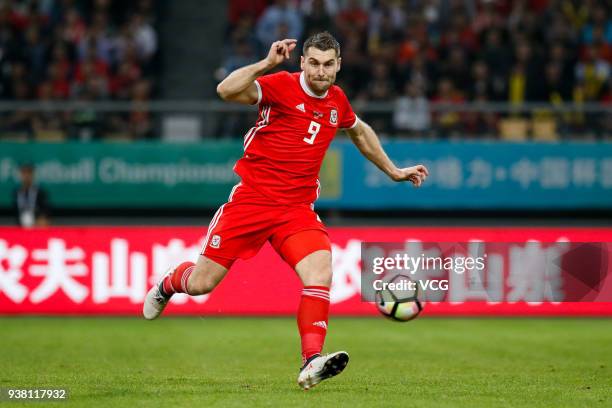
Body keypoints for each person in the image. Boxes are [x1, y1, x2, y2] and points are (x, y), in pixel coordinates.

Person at [143, 32, 428, 390]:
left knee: (320, 273)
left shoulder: (337, 100)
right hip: (251, 201)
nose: (320, 71)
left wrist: (393, 170)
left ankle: (311, 362)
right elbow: (226, 91)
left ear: (338, 65)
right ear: (302, 62)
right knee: (201, 284)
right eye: (313, 63)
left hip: (296, 209)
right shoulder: (280, 86)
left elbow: (359, 131)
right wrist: (265, 64)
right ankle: (170, 282)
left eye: (328, 64)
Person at [13, 163, 50, 228]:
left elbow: (45, 212)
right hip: (20, 227)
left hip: (37, 227)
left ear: (33, 174)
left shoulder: (40, 192)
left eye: (29, 173)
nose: (26, 176)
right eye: (24, 173)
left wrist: (42, 219)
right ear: (20, 175)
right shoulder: (16, 192)